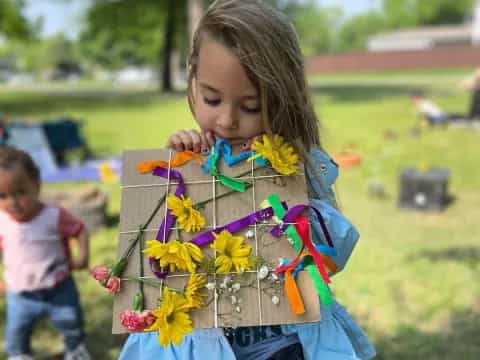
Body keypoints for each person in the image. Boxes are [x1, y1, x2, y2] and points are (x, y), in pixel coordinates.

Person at [119, 1, 376, 359]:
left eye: (252, 106)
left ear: (283, 97)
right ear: (192, 78)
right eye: (212, 98)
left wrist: (291, 184)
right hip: (202, 344)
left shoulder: (294, 163)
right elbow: (153, 257)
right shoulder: (187, 160)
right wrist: (174, 166)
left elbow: (334, 250)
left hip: (286, 343)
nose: (226, 120)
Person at [0, 146, 91, 360]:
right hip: (20, 294)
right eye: (2, 196)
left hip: (58, 288)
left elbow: (79, 230)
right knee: (16, 332)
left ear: (36, 184)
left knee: (71, 323)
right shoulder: (2, 221)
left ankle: (75, 350)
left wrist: (83, 256)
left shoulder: (53, 216)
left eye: (20, 192)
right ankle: (19, 354)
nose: (13, 202)